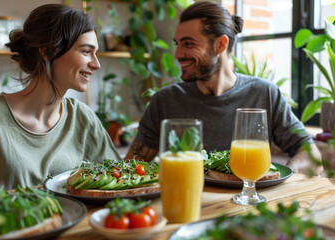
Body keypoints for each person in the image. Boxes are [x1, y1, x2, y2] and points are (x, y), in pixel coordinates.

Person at [125, 1, 322, 174]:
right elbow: (131, 168)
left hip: (247, 206)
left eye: (188, 43)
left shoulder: (264, 93)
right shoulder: (165, 100)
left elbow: (309, 153)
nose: (177, 54)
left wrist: (279, 181)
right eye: (177, 44)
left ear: (220, 45)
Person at [0, 4, 121, 190]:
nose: (96, 64)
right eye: (86, 51)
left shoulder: (83, 118)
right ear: (47, 51)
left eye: (96, 53)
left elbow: (118, 182)